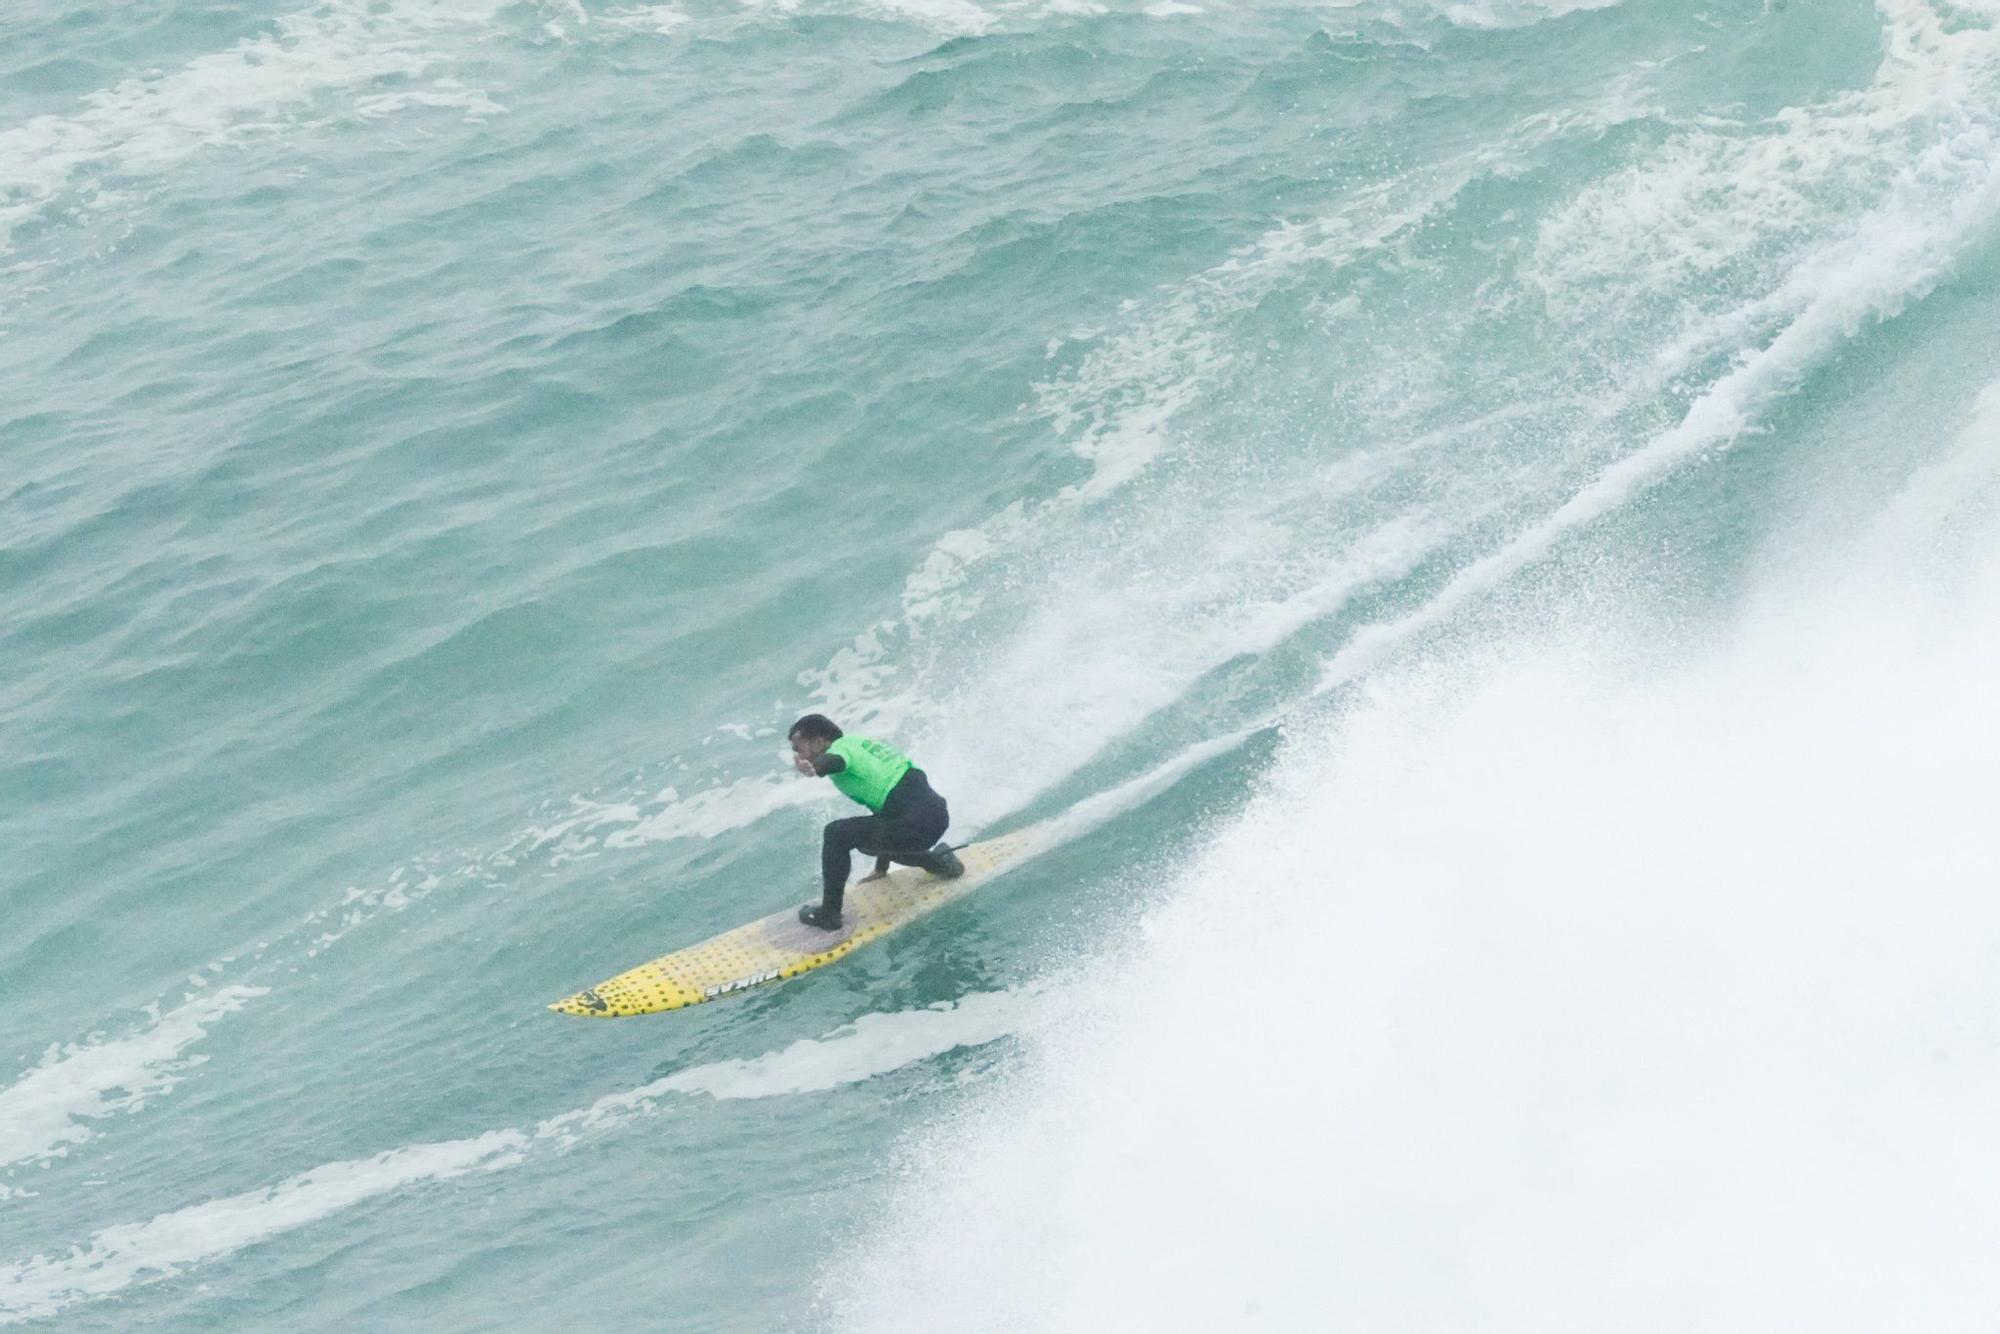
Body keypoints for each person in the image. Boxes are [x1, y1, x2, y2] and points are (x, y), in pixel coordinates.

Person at [788, 714, 963, 929]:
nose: (798, 755)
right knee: (880, 835)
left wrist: (817, 768)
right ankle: (943, 864)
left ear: (818, 742)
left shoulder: (841, 750)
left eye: (799, 748)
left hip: (914, 824)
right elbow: (886, 811)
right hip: (935, 816)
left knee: (835, 834)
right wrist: (882, 868)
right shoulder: (859, 743)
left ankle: (829, 914)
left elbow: (835, 761)